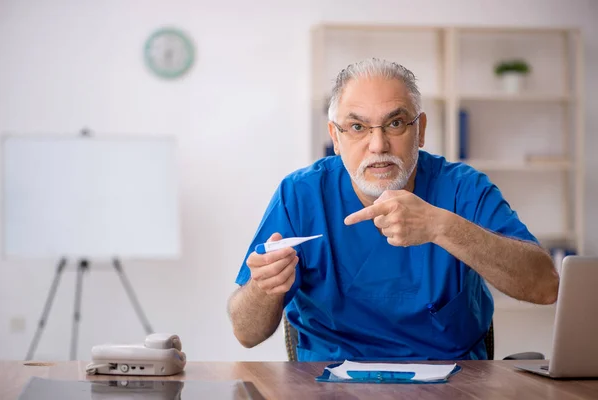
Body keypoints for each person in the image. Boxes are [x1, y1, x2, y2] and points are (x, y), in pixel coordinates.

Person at [227, 58, 559, 362]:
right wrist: (262, 287)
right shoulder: (301, 195)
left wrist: (441, 227)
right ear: (335, 137)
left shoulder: (463, 189)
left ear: (421, 130)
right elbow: (246, 333)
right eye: (357, 127)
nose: (378, 145)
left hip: (452, 382)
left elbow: (546, 286)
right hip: (329, 382)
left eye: (395, 123)